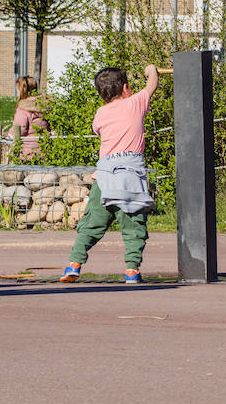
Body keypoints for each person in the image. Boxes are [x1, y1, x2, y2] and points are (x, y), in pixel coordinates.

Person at [61, 64, 159, 284]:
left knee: (92, 222)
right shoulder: (135, 103)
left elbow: (98, 129)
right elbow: (152, 84)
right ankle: (132, 270)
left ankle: (74, 264)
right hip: (130, 176)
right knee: (134, 224)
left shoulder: (101, 113)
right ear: (126, 88)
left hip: (104, 176)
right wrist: (151, 69)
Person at [11, 75, 49, 158]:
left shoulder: (23, 109)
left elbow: (20, 130)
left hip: (28, 153)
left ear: (22, 90)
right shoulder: (45, 106)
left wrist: (9, 135)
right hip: (45, 151)